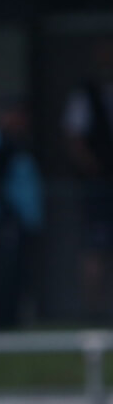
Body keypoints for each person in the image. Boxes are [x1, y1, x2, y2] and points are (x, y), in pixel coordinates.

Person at [0, 97, 44, 328]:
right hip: (5, 219)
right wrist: (8, 217)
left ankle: (14, 318)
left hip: (17, 219)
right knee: (7, 270)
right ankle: (4, 321)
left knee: (17, 269)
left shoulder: (14, 141)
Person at [62, 39, 113, 320]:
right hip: (100, 185)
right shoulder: (86, 94)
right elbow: (74, 138)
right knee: (96, 248)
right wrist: (96, 171)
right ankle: (94, 313)